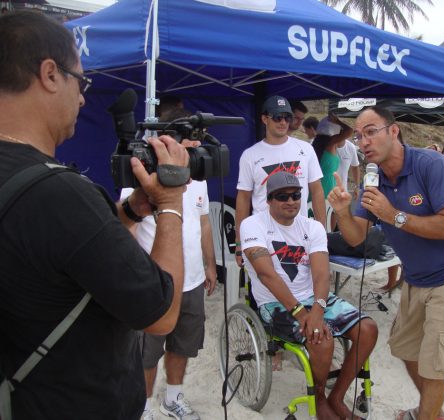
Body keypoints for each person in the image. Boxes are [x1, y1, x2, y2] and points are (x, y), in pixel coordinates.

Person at [0, 11, 189, 419]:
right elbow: (161, 315)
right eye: (80, 80)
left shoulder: (36, 188)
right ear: (50, 74)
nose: (83, 97)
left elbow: (63, 254)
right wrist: (171, 203)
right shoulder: (60, 194)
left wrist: (132, 209)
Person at [327, 106, 444, 420]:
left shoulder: (432, 165)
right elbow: (357, 238)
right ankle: (433, 413)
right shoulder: (375, 179)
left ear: (393, 131)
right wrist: (343, 212)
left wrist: (392, 216)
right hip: (416, 278)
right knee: (405, 349)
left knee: (436, 367)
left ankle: (428, 413)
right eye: (359, 136)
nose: (364, 142)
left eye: (371, 131)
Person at [241, 171, 378, 420]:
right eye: (282, 196)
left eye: (296, 195)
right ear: (268, 200)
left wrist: (316, 309)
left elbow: (321, 275)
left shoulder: (312, 226)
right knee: (320, 339)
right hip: (275, 303)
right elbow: (266, 274)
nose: (291, 201)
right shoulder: (252, 225)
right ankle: (320, 398)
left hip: (313, 298)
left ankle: (337, 395)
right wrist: (301, 313)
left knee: (368, 329)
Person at [121, 109, 217, 420]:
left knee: (184, 344)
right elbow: (128, 229)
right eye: (185, 139)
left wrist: (210, 265)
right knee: (147, 352)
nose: (191, 145)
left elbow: (203, 225)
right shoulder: (141, 178)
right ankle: (144, 406)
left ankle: (173, 398)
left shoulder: (197, 176)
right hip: (154, 283)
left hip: (191, 280)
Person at [235, 95, 326, 267]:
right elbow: (243, 198)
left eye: (287, 117)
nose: (283, 122)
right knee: (265, 287)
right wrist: (239, 242)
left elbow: (317, 191)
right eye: (277, 117)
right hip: (263, 235)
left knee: (302, 288)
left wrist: (321, 232)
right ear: (264, 119)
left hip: (300, 233)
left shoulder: (306, 149)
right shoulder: (250, 155)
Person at [312, 115, 353, 197]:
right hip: (327, 189)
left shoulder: (316, 144)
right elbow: (349, 130)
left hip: (318, 188)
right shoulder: (330, 143)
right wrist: (338, 121)